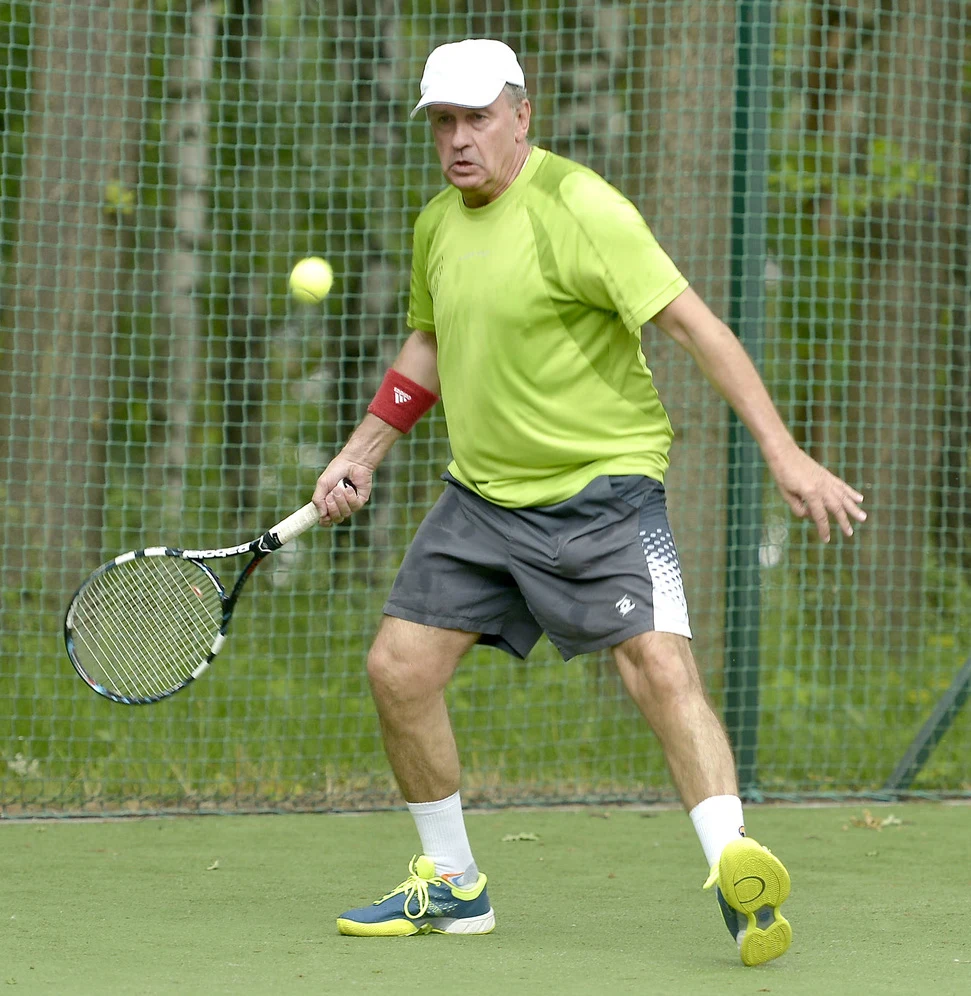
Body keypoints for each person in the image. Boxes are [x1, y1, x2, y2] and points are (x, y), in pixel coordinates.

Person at [311, 38, 866, 965]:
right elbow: (429, 345)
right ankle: (452, 887)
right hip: (482, 496)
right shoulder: (437, 225)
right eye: (442, 122)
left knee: (658, 667)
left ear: (521, 115)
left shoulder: (581, 206)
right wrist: (361, 451)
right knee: (397, 670)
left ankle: (737, 871)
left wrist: (786, 453)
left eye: (476, 117)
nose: (457, 139)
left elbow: (695, 326)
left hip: (601, 488)